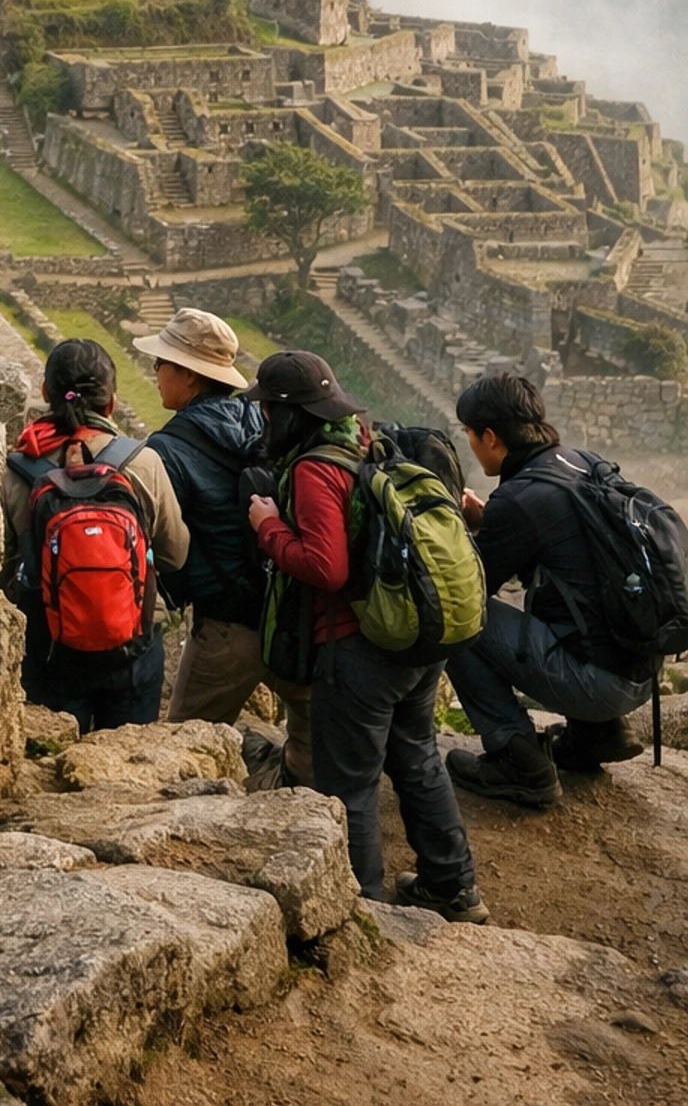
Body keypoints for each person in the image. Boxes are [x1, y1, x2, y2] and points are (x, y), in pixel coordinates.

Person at [247, 349, 486, 920]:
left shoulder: (313, 469)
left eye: (268, 412)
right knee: (419, 759)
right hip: (413, 637)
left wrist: (268, 528)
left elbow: (325, 567)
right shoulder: (369, 443)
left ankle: (362, 908)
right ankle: (452, 887)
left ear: (289, 415)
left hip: (358, 649)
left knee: (348, 784)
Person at [445, 370, 654, 807]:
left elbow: (469, 588)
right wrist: (493, 522)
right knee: (567, 601)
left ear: (490, 436)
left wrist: (457, 531)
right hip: (641, 668)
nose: (469, 442)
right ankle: (598, 735)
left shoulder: (519, 499)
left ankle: (518, 760)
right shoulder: (582, 463)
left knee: (457, 623)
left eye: (468, 433)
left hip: (600, 684)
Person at [137, 308, 315, 787]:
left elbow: (168, 543)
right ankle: (295, 792)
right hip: (290, 610)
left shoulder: (166, 450)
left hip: (226, 626)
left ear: (189, 377)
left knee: (181, 750)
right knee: (313, 738)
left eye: (163, 364)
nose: (156, 374)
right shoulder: (261, 423)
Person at [1, 336, 189, 732]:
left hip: (49, 646)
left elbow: (2, 567)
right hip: (132, 646)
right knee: (129, 764)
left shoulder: (17, 470)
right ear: (112, 401)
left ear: (45, 394)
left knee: (49, 756)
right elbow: (175, 554)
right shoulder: (143, 462)